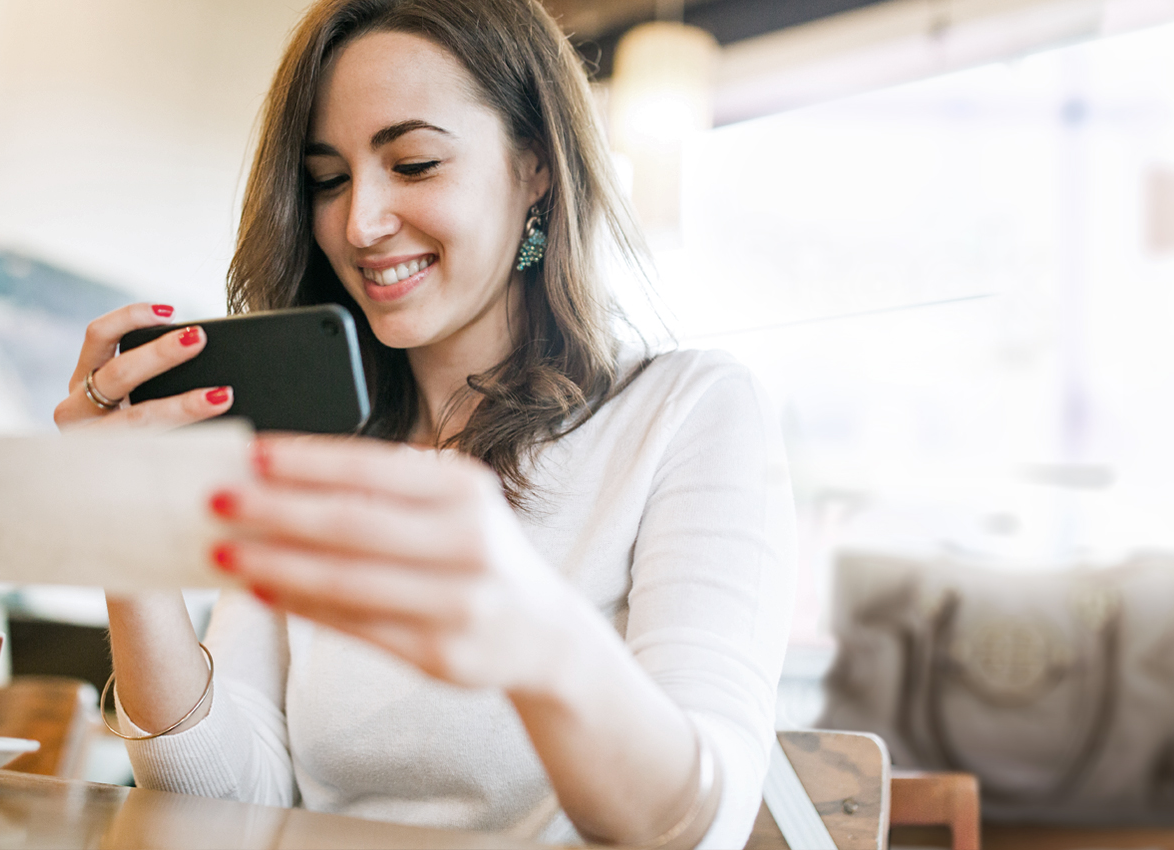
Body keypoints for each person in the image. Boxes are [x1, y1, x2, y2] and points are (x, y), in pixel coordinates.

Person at [50, 1, 796, 847]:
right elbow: (230, 795)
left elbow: (697, 825)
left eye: (413, 163)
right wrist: (124, 531)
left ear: (536, 167)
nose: (358, 224)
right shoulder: (309, 442)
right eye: (328, 179)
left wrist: (536, 635)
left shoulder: (685, 411)